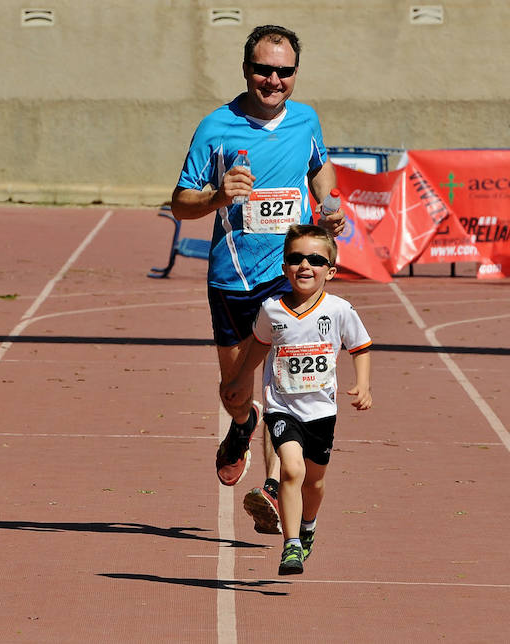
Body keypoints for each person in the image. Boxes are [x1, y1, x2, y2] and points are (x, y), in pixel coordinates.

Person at [170, 25, 346, 535]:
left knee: (284, 388)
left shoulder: (306, 119)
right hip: (232, 278)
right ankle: (241, 425)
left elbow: (320, 169)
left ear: (295, 73)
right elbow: (180, 204)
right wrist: (218, 197)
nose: (273, 80)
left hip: (289, 278)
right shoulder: (215, 128)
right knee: (235, 389)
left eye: (284, 71)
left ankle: (273, 489)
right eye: (263, 69)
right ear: (246, 69)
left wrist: (329, 207)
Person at [223, 224, 372, 575]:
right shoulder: (271, 310)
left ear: (331, 271)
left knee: (314, 482)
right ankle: (290, 545)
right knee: (291, 469)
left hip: (321, 411)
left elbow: (360, 347)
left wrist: (363, 385)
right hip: (282, 406)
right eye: (296, 258)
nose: (305, 265)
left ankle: (308, 526)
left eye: (316, 259)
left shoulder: (339, 310)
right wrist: (240, 377)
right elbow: (258, 347)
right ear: (284, 266)